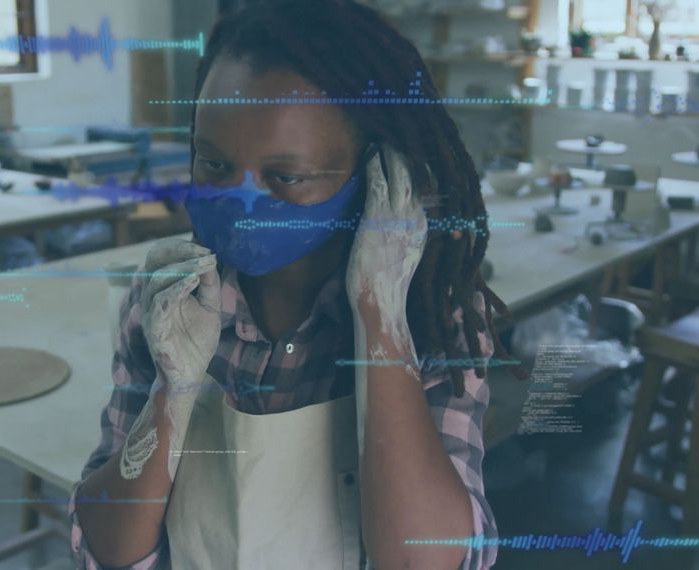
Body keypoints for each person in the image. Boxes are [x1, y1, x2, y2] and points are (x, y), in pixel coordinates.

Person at [68, 0, 522, 568]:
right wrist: (171, 394)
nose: (241, 202)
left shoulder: (435, 315)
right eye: (211, 164)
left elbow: (424, 561)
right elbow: (108, 550)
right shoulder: (169, 302)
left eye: (286, 177)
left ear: (379, 175)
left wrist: (378, 320)